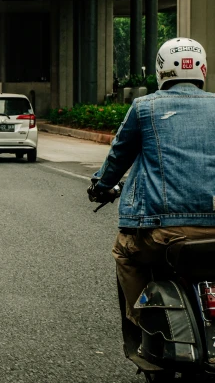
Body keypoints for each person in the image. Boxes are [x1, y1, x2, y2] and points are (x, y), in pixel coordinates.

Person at [89, 38, 215, 330]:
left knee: (125, 251)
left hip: (166, 232)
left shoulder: (145, 107)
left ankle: (145, 325)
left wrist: (100, 186)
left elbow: (119, 155)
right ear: (202, 69)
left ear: (161, 71)